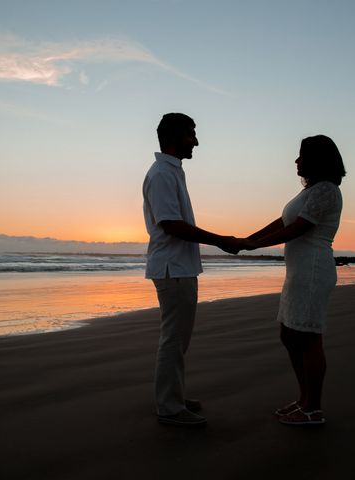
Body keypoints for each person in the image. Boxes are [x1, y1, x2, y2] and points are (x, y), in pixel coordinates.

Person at [143, 113, 243, 427]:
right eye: (191, 134)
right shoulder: (162, 174)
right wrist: (221, 240)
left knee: (178, 338)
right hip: (173, 269)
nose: (196, 141)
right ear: (175, 136)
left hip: (180, 267)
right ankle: (169, 407)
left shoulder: (172, 171)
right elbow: (171, 225)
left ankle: (173, 396)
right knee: (173, 338)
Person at [244, 135, 345, 426]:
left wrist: (254, 245)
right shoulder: (310, 191)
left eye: (301, 156)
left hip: (313, 271)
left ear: (318, 160)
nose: (296, 161)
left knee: (309, 337)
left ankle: (313, 408)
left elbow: (299, 228)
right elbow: (283, 221)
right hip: (299, 272)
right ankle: (304, 399)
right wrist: (248, 239)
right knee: (289, 335)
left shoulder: (327, 190)